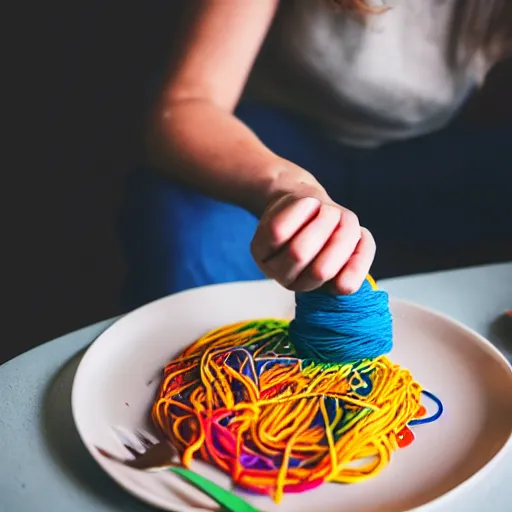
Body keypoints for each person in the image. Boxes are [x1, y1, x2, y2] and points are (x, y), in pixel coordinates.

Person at [119, 0, 512, 311]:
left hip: (424, 155)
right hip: (263, 142)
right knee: (189, 252)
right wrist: (290, 190)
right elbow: (188, 103)